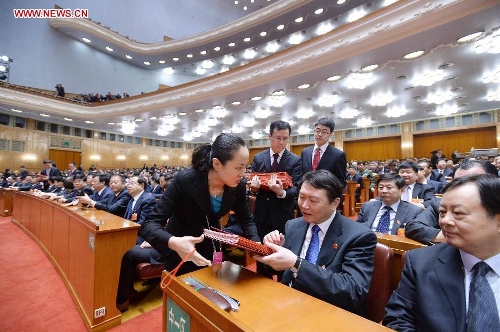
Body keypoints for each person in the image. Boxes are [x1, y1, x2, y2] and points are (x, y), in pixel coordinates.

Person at [117, 133, 260, 312]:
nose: (244, 173)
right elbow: (150, 223)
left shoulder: (237, 185)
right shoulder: (186, 180)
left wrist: (255, 244)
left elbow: (246, 219)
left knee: (210, 307)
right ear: (217, 164)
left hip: (212, 249)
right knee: (181, 307)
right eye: (239, 167)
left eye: (246, 166)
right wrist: (173, 242)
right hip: (179, 248)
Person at [383, 174, 500, 331]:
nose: (444, 221)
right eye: (443, 212)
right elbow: (398, 319)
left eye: (458, 213)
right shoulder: (421, 263)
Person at [254, 170, 376, 316]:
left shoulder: (359, 236)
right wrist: (274, 251)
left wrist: (297, 264)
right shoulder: (293, 226)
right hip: (288, 304)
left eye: (313, 200)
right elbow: (277, 272)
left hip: (330, 312)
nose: (304, 205)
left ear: (335, 203)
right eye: (301, 197)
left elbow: (352, 291)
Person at [248, 120, 302, 279]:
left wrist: (282, 193)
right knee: (261, 256)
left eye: (285, 138)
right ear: (270, 136)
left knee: (280, 256)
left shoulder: (295, 160)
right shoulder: (258, 158)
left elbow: (297, 188)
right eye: (278, 138)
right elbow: (253, 186)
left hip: (282, 214)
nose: (281, 142)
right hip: (262, 214)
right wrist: (254, 188)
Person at [405, 158, 499, 245]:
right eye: (458, 182)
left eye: (473, 181)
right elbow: (413, 227)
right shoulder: (440, 204)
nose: (464, 188)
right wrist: (449, 235)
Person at [356, 173, 422, 234]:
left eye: (389, 188)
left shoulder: (413, 211)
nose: (384, 191)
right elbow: (357, 228)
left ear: (402, 190)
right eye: (381, 187)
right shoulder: (367, 207)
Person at [300, 118, 347, 187]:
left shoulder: (338, 155)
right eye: (317, 131)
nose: (319, 134)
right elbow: (301, 175)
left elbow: (341, 181)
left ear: (331, 134)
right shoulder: (305, 152)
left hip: (325, 195)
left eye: (324, 132)